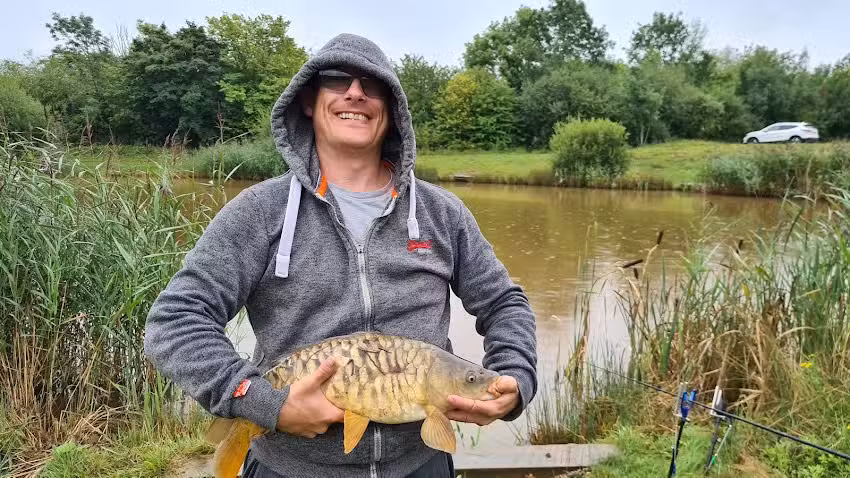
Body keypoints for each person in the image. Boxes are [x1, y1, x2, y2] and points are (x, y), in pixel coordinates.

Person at [143, 33, 537, 478]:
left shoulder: (441, 214)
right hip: (290, 465)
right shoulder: (259, 213)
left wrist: (514, 378)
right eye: (336, 80)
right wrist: (260, 400)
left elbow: (505, 303)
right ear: (308, 101)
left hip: (420, 464)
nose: (355, 93)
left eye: (373, 84)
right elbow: (175, 321)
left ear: (392, 109)